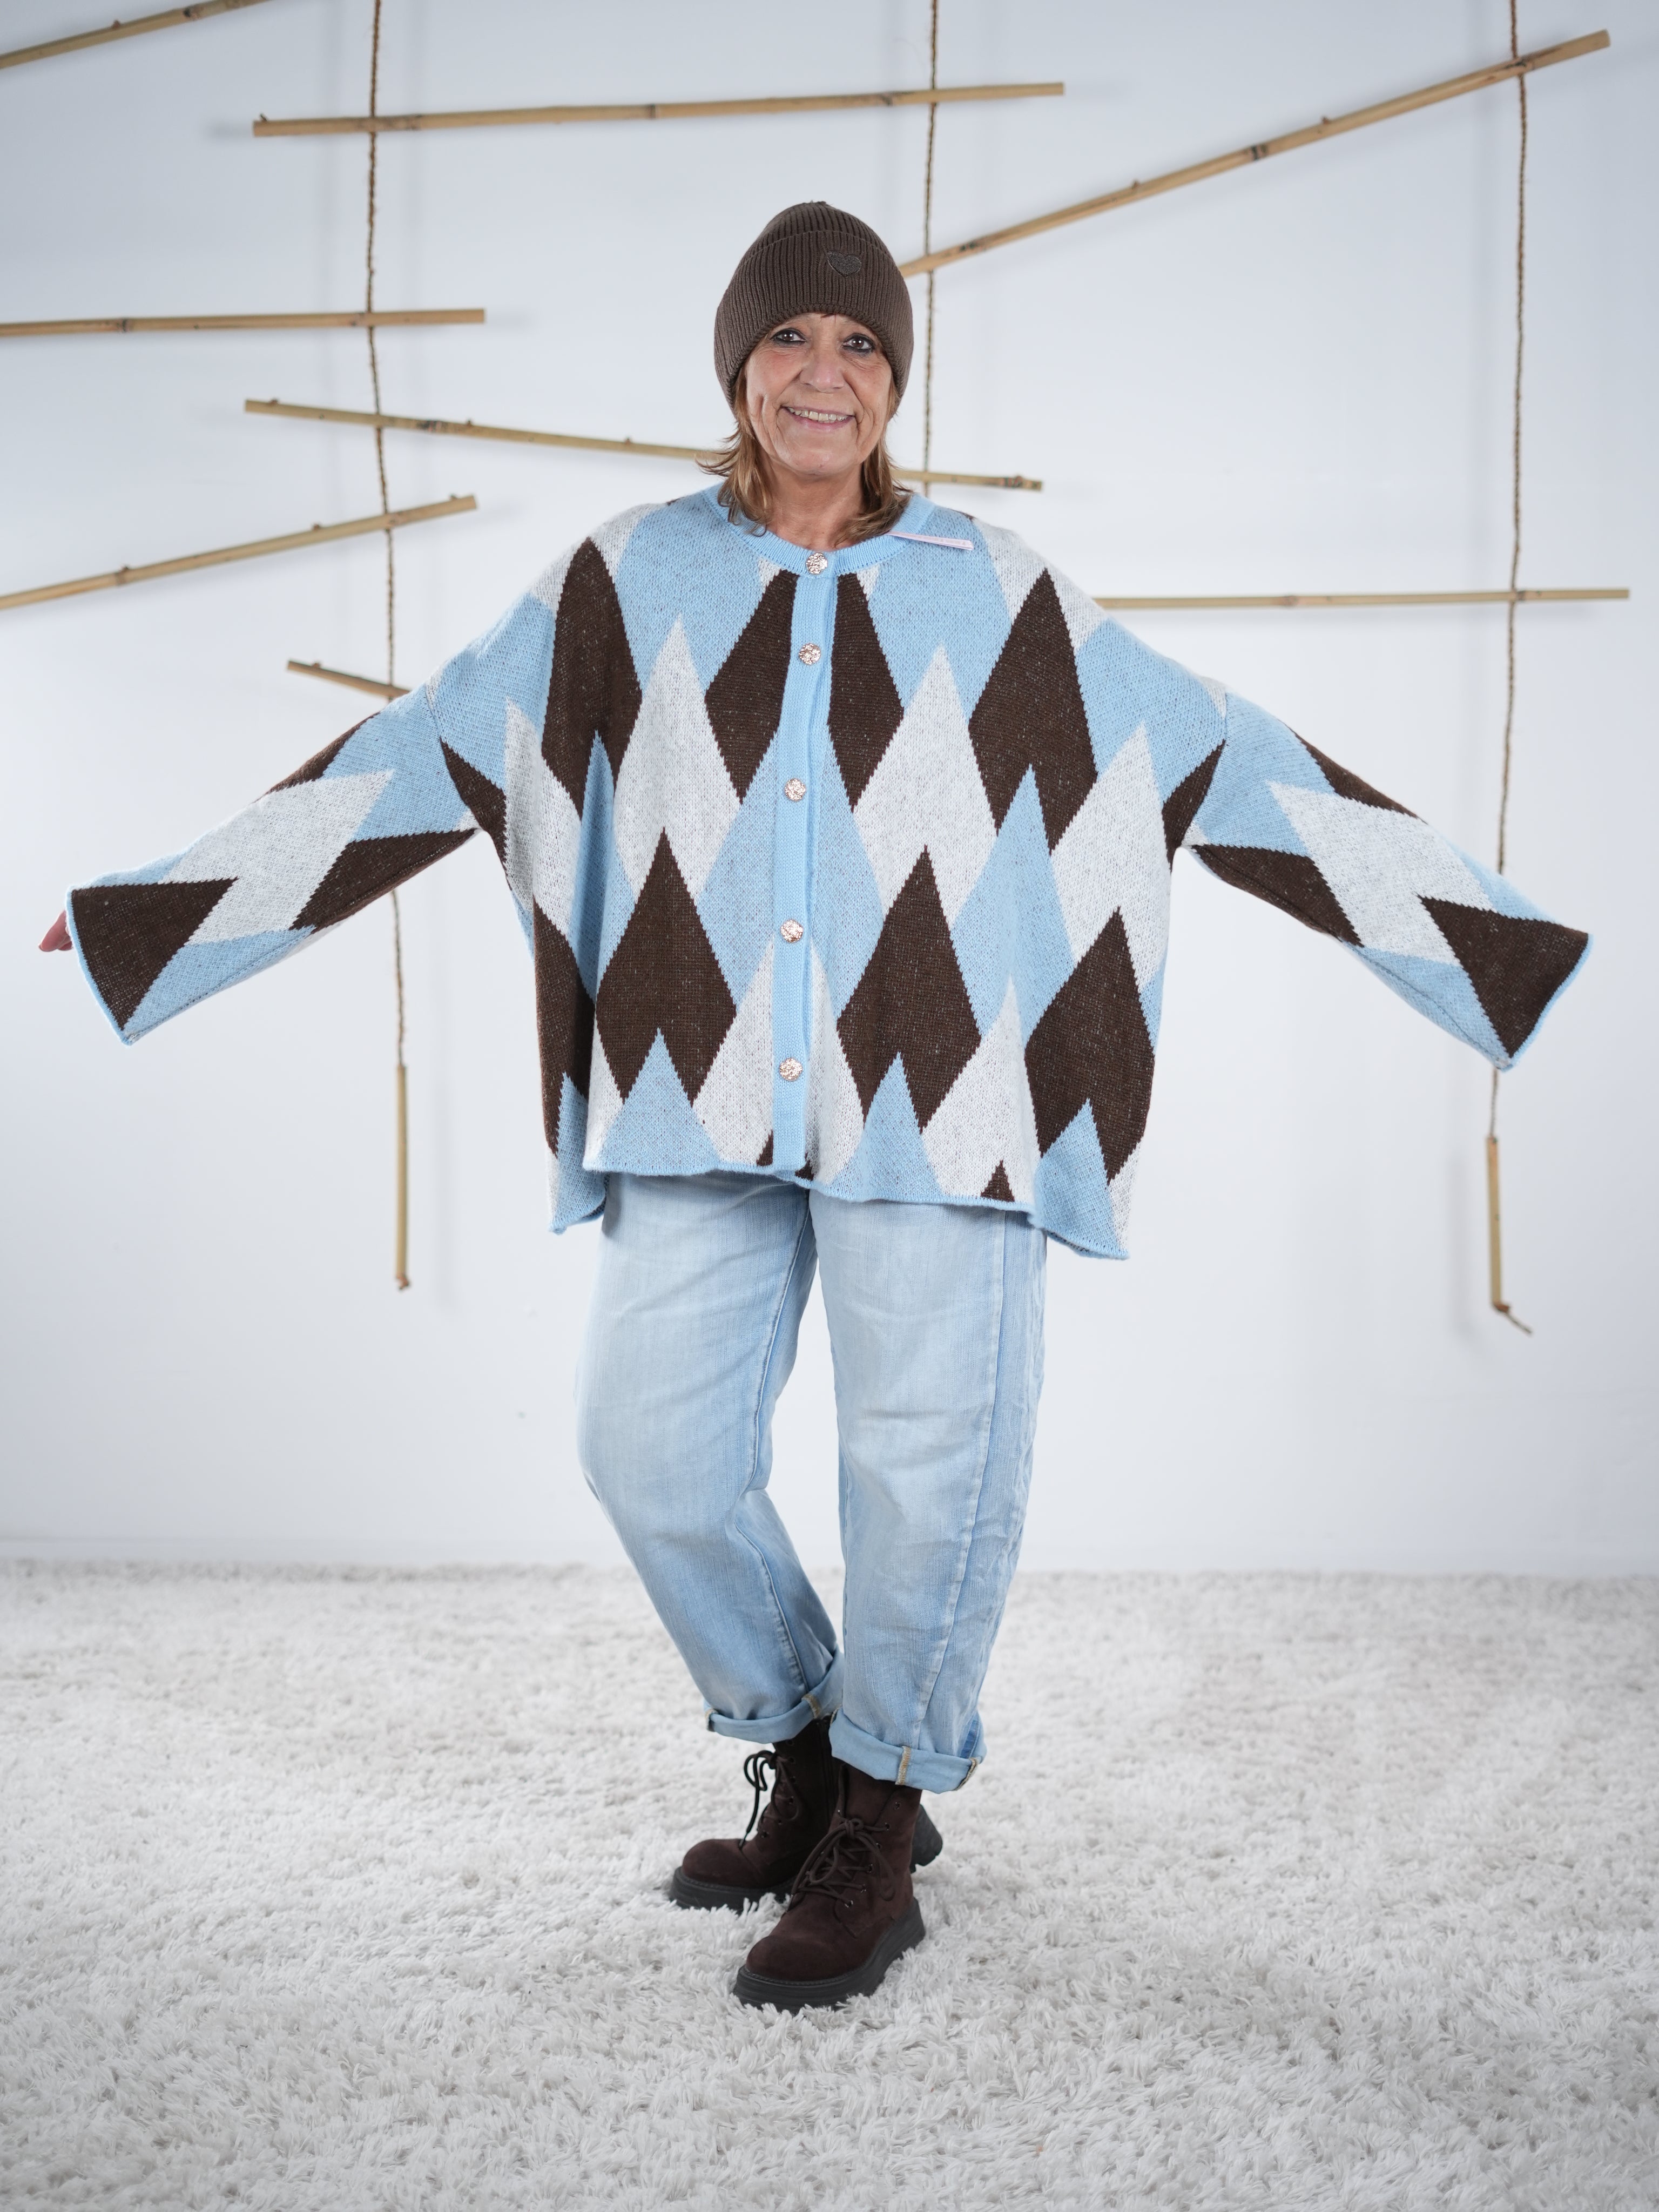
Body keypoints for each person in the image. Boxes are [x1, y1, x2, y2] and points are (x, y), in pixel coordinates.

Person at [41, 203, 1589, 2013]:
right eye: (790, 338)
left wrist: (1485, 945)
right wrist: (159, 919)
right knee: (650, 1451)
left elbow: (1220, 756)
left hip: (940, 1085)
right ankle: (808, 1741)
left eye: (860, 344)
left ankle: (883, 1821)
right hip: (693, 1081)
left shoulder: (993, 587)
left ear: (896, 380)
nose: (824, 374)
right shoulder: (625, 579)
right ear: (738, 368)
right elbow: (425, 752)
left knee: (924, 1466)